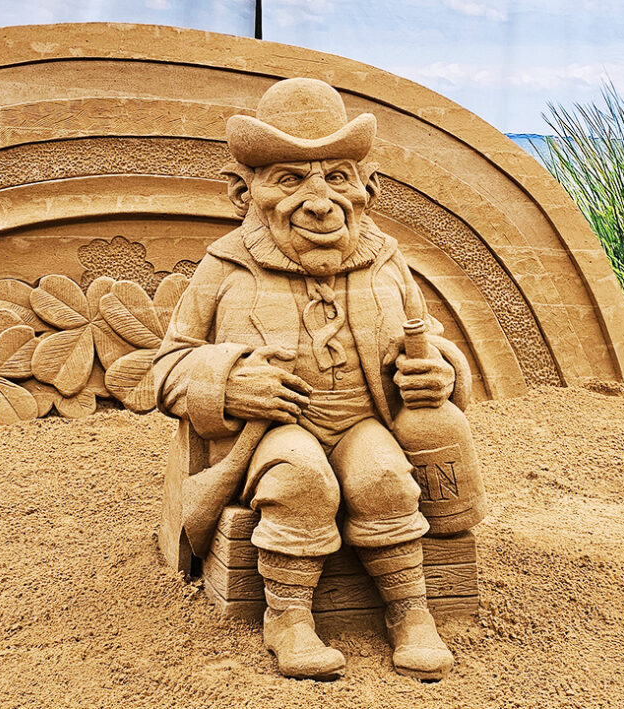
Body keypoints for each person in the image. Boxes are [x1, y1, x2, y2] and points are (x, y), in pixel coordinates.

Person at [153, 78, 473, 681]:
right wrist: (223, 384)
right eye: (291, 179)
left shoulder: (386, 260)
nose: (320, 201)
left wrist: (439, 371)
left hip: (361, 421)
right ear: (243, 191)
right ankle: (289, 618)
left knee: (384, 477)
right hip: (272, 432)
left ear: (368, 188)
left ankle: (411, 613)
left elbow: (427, 337)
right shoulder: (225, 266)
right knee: (300, 481)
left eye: (337, 177)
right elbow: (166, 367)